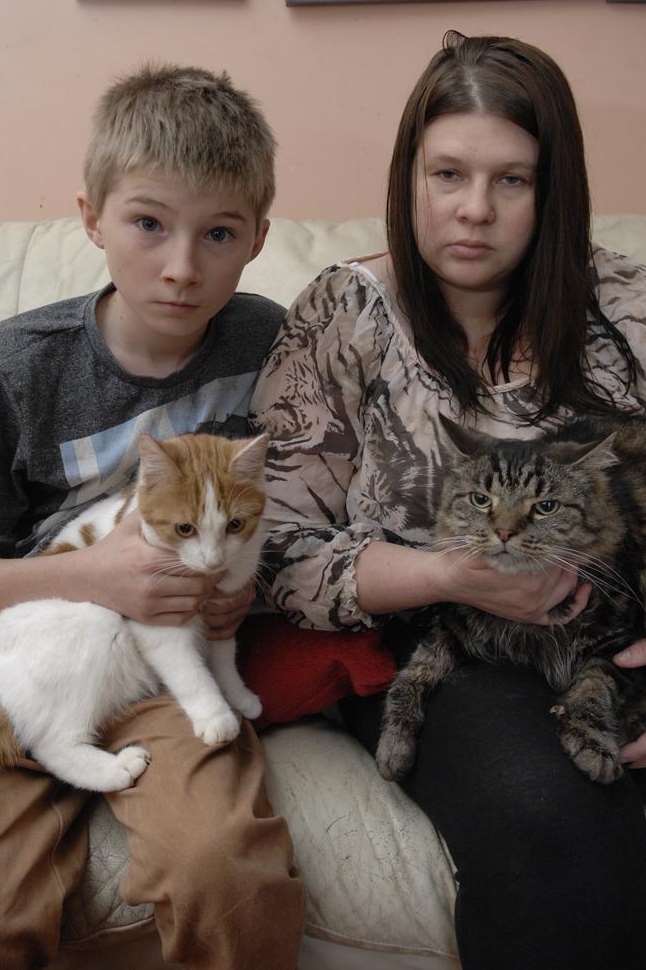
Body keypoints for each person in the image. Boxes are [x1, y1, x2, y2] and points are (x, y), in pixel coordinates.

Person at [250, 31, 646, 970]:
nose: (474, 210)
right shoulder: (344, 314)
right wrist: (449, 574)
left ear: (556, 191)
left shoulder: (625, 307)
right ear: (408, 178)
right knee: (553, 816)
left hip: (615, 629)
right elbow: (269, 544)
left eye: (513, 180)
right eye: (448, 174)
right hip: (439, 650)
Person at [0, 65, 304, 969]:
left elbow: (321, 508)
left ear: (256, 237)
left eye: (217, 233)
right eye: (147, 224)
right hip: (36, 641)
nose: (181, 267)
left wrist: (245, 599)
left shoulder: (269, 344)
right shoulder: (20, 370)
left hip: (168, 673)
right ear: (89, 217)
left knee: (225, 870)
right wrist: (83, 577)